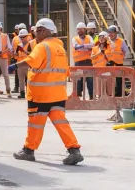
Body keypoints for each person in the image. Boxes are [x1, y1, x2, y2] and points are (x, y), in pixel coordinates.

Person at [14, 18, 83, 166]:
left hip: (40, 94)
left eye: (37, 31)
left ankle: (28, 151)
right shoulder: (60, 48)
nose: (35, 35)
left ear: (44, 31)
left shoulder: (42, 47)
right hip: (57, 94)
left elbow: (31, 61)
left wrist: (15, 65)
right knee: (61, 123)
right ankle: (74, 150)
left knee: (35, 124)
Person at [71, 22, 94, 100]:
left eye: (81, 29)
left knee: (90, 79)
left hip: (88, 62)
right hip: (79, 63)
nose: (79, 31)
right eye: (78, 29)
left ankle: (91, 96)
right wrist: (87, 47)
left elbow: (92, 45)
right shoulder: (74, 38)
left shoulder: (89, 37)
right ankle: (78, 96)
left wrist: (83, 46)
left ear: (84, 29)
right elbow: (76, 47)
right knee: (78, 79)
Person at [106, 25, 127, 97]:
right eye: (109, 32)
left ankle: (118, 95)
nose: (110, 34)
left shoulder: (121, 41)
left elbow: (126, 52)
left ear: (116, 33)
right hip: (108, 64)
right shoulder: (105, 41)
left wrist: (120, 56)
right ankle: (108, 94)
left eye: (112, 32)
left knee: (119, 80)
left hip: (118, 64)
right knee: (108, 80)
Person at [13, 28, 31, 99]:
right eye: (21, 37)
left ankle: (29, 93)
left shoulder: (30, 45)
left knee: (29, 80)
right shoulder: (18, 45)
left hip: (27, 64)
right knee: (21, 80)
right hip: (20, 65)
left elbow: (32, 54)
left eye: (23, 37)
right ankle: (22, 93)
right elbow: (15, 56)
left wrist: (24, 51)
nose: (22, 38)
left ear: (27, 37)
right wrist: (16, 53)